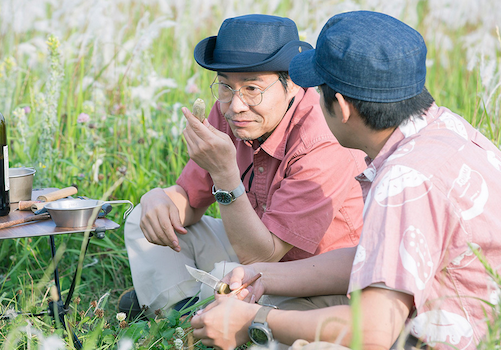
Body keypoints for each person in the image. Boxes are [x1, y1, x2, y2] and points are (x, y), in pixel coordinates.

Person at [190, 10, 501, 350]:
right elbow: (379, 253)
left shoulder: (405, 180)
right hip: (461, 315)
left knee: (283, 339)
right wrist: (265, 276)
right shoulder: (445, 129)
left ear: (340, 105)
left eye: (316, 90)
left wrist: (256, 322)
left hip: (457, 338)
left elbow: (373, 332)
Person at [119, 14, 366, 319]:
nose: (236, 105)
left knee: (231, 280)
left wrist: (224, 174)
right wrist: (158, 198)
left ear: (292, 84)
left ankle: (194, 309)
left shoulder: (321, 140)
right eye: (225, 87)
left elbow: (261, 255)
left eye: (252, 88)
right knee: (142, 220)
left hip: (317, 280)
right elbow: (190, 201)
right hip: (253, 246)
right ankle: (178, 320)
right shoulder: (233, 114)